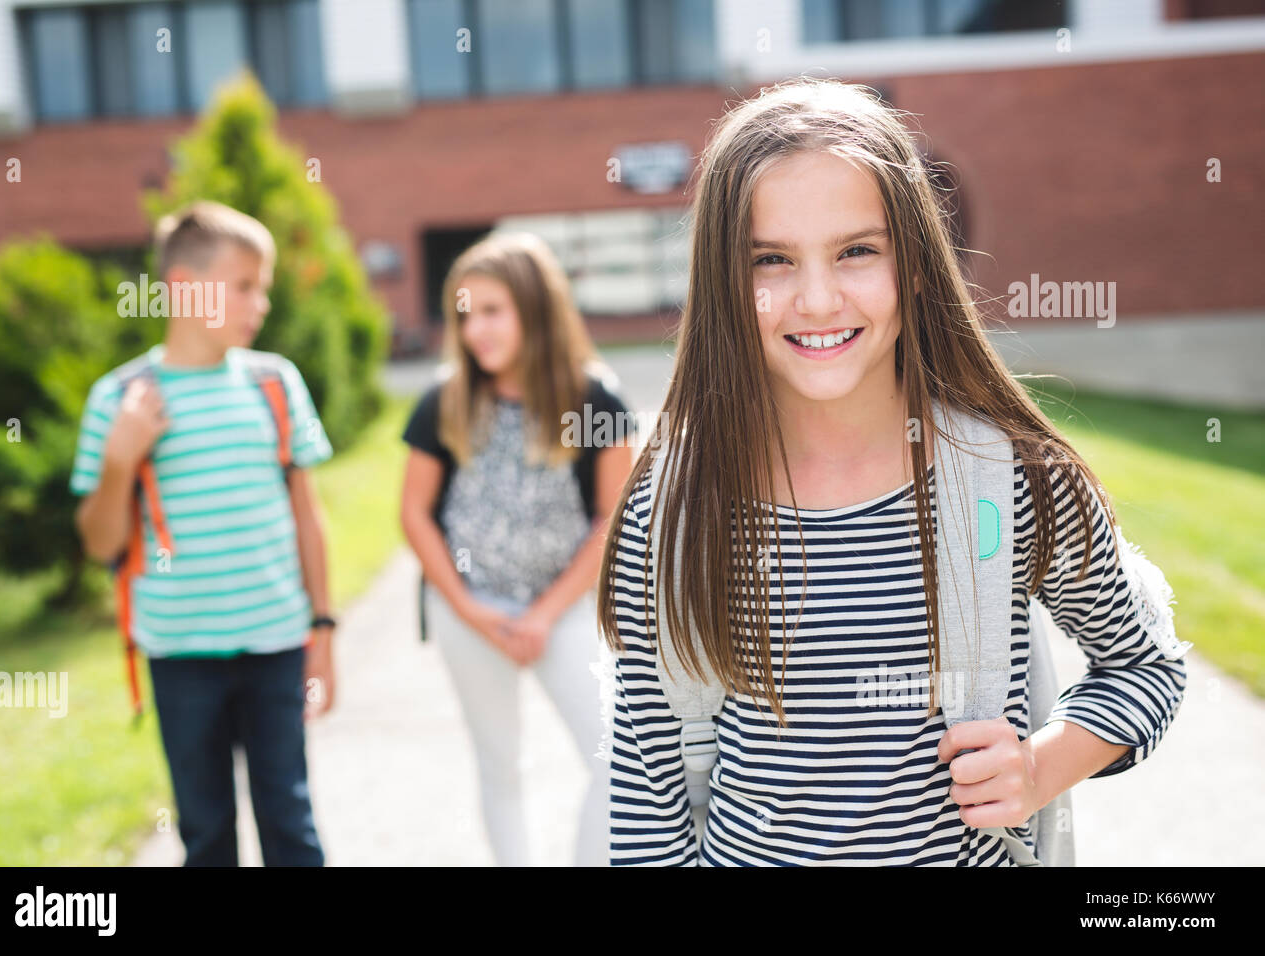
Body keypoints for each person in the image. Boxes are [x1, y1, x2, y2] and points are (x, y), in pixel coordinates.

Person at [595, 78, 1189, 866]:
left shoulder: (1009, 480)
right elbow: (648, 793)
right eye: (771, 260)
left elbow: (1146, 664)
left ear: (914, 265)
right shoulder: (673, 510)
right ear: (723, 284)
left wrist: (1040, 769)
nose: (817, 299)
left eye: (857, 251)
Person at [70, 200, 336, 866]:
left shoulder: (275, 383)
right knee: (207, 831)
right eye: (245, 286)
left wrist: (324, 630)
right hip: (180, 653)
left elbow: (308, 516)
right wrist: (120, 459)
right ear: (186, 288)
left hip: (277, 642)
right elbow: (101, 543)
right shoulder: (120, 399)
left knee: (291, 822)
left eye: (262, 288)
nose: (260, 304)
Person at [400, 231, 635, 867]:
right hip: (470, 611)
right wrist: (469, 608)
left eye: (492, 311)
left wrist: (543, 615)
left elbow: (611, 520)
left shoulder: (596, 401)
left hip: (561, 610)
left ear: (535, 308)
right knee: (499, 763)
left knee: (618, 760)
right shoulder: (446, 400)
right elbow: (414, 513)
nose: (475, 330)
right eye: (464, 315)